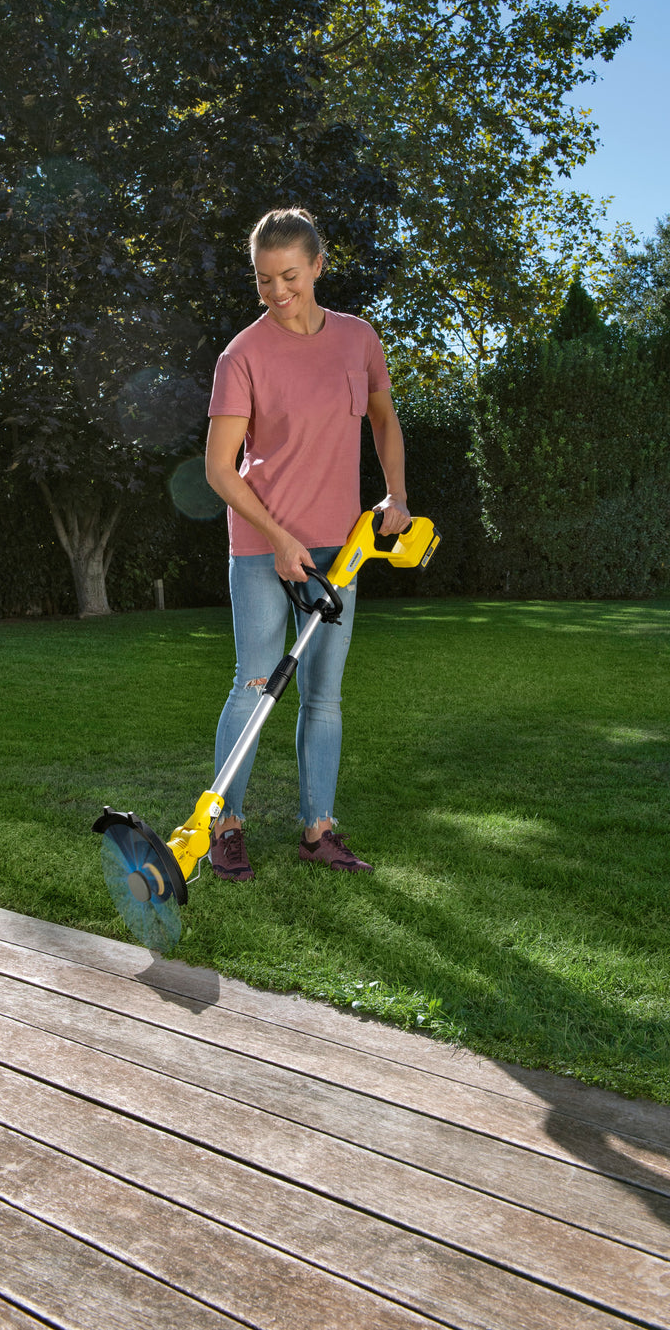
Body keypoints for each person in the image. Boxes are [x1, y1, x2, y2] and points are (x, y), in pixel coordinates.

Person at [204, 207, 410, 880]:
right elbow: (218, 468)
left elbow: (383, 419)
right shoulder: (242, 355)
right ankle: (224, 824)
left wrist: (396, 494)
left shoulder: (357, 339)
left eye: (289, 275)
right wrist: (278, 536)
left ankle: (319, 829)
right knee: (255, 684)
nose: (276, 290)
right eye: (264, 279)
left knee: (324, 693)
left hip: (339, 549)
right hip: (264, 548)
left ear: (319, 265)